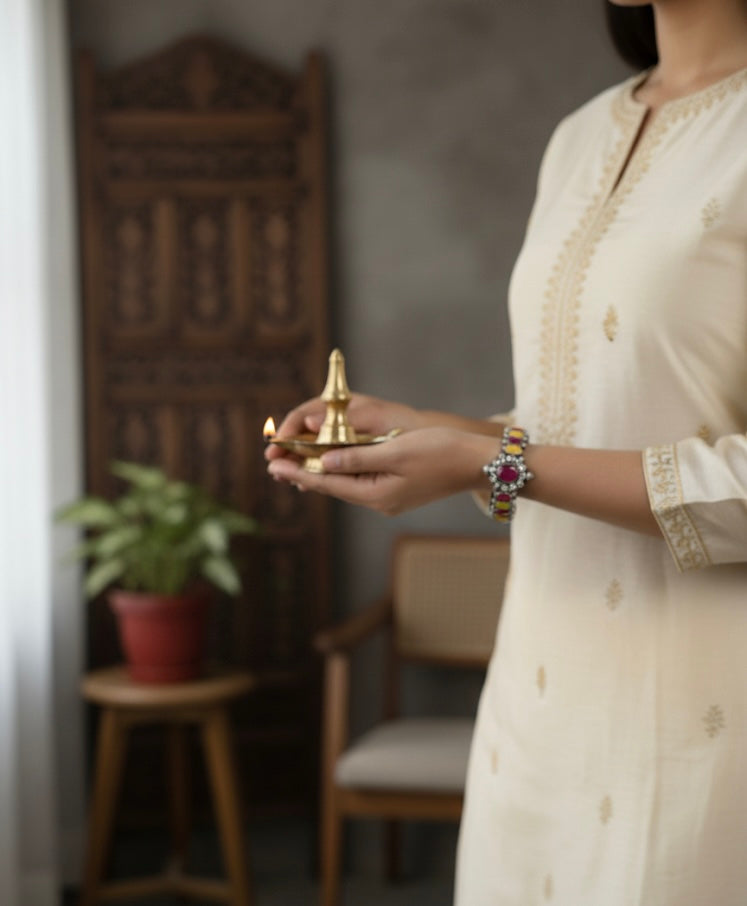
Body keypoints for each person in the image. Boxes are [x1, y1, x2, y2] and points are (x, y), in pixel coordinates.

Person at [267, 0, 747, 902]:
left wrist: (483, 464)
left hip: (703, 715)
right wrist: (435, 432)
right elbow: (575, 420)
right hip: (537, 694)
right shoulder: (578, 136)